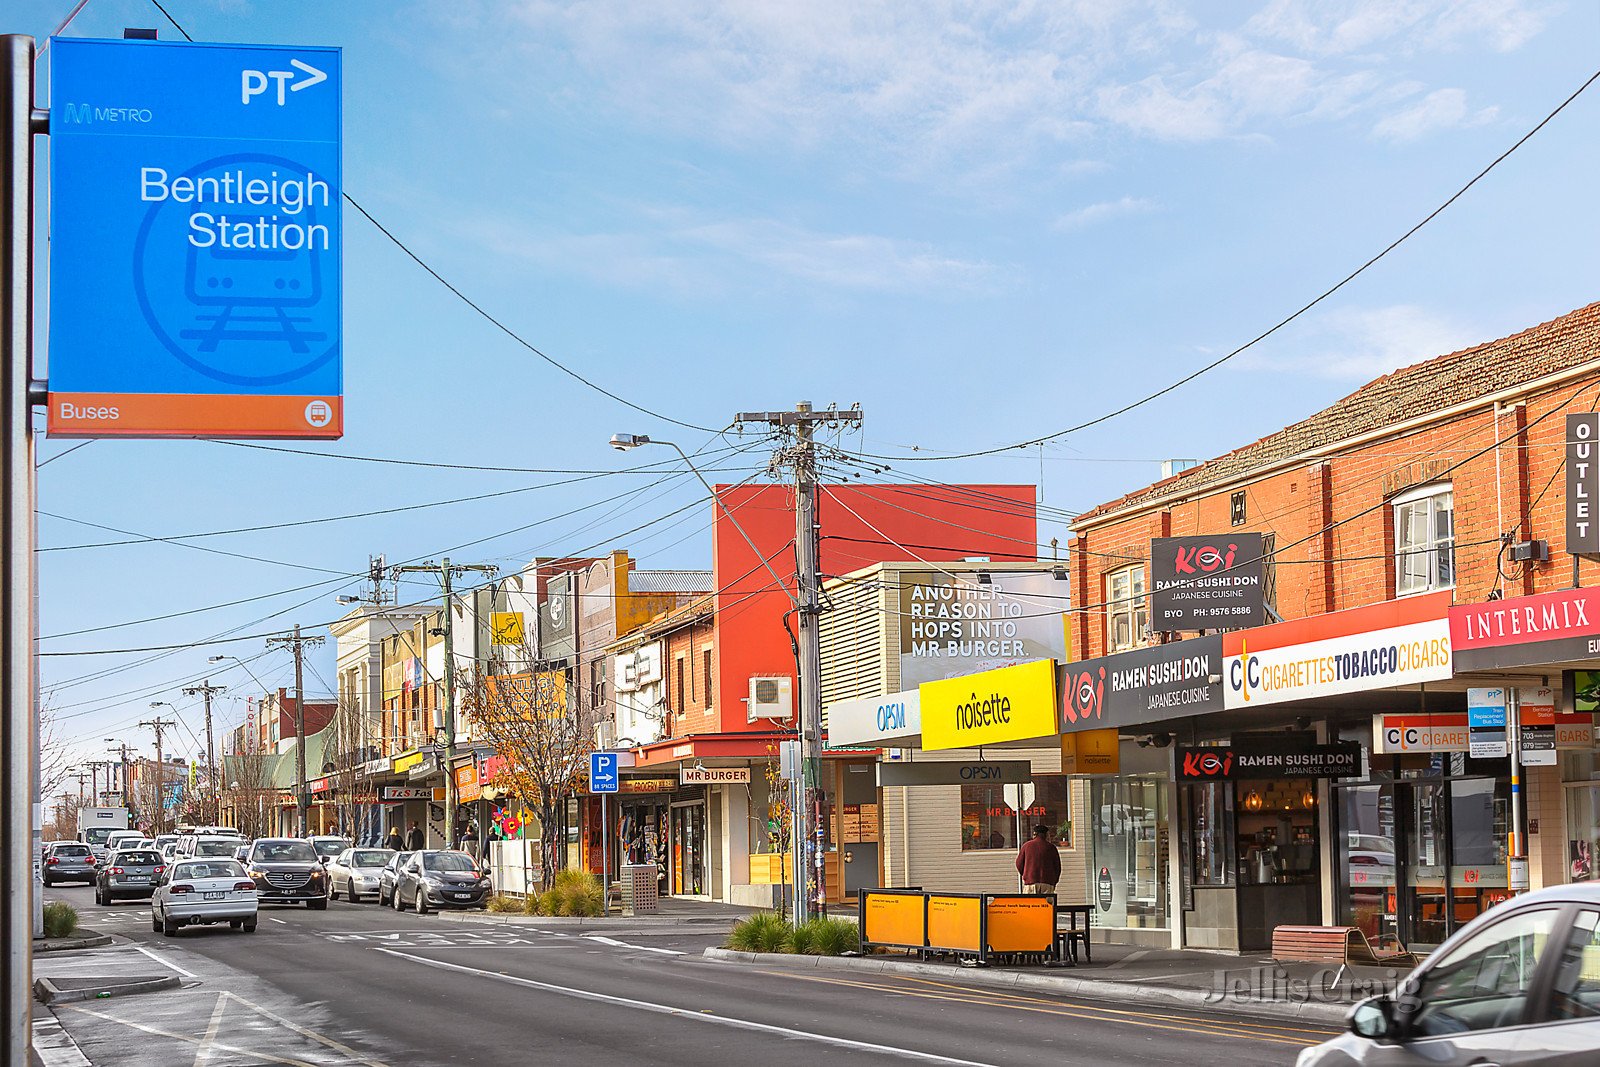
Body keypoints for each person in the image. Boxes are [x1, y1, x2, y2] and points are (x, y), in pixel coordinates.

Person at [1016, 824, 1060, 896]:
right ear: (1046, 835)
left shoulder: (1026, 846)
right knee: (1047, 906)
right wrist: (1054, 881)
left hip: (1031, 883)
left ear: (1035, 834)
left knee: (1030, 906)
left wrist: (1026, 874)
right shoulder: (1051, 847)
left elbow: (1019, 864)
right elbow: (1057, 867)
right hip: (1047, 883)